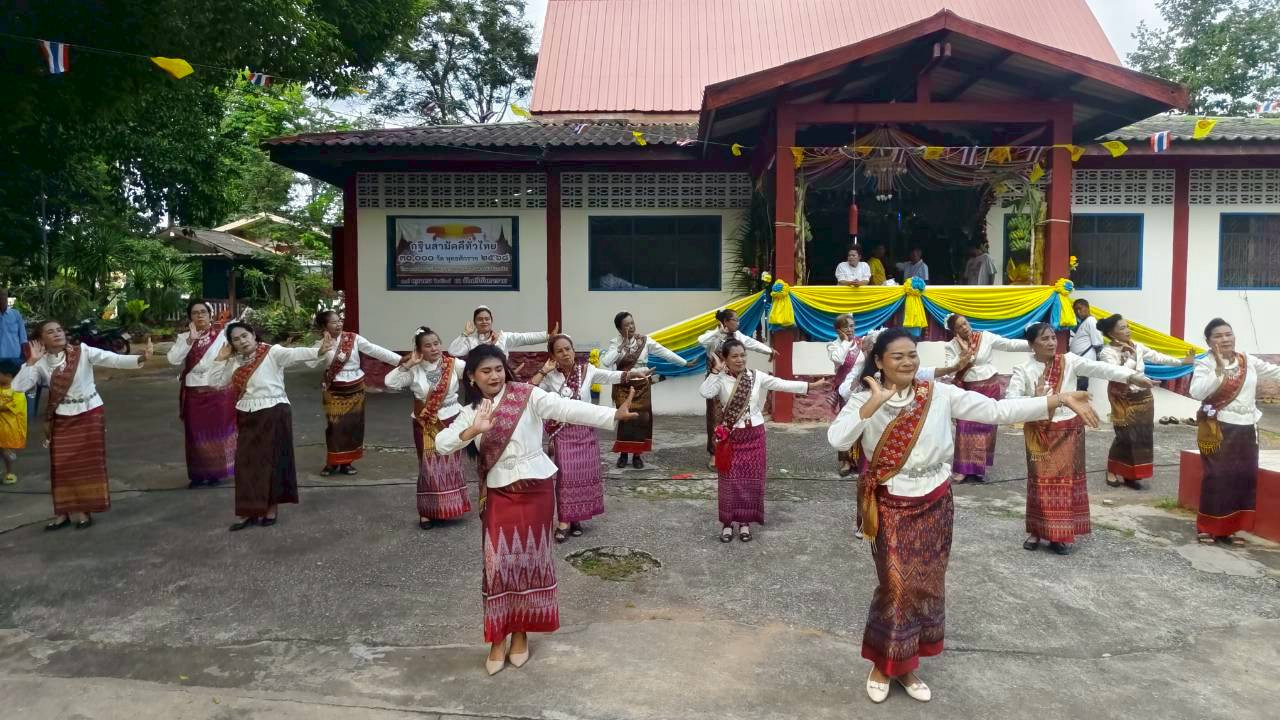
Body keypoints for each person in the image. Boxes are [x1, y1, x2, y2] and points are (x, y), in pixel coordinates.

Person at [828, 328, 1097, 704]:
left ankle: (907, 667)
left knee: (927, 585)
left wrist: (1054, 400)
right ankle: (881, 664)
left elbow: (996, 411)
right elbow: (838, 440)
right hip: (890, 503)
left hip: (937, 501)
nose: (907, 362)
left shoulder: (938, 394)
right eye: (897, 357)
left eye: (912, 355)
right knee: (896, 587)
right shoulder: (863, 398)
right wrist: (872, 406)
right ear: (879, 362)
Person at [434, 344, 638, 676]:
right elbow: (442, 443)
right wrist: (474, 430)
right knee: (498, 566)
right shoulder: (472, 411)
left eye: (498, 369)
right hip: (500, 494)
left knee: (529, 564)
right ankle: (496, 637)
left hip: (536, 491)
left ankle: (520, 633)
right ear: (472, 376)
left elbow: (566, 408)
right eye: (485, 371)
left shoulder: (526, 395)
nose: (494, 376)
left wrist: (612, 415)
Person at [1007, 322, 1153, 555]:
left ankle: (1059, 535)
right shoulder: (1022, 370)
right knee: (1039, 482)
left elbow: (1101, 369)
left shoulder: (1070, 361)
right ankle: (1036, 530)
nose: (1051, 342)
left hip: (1068, 430)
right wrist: (1033, 400)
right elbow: (1010, 401)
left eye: (1053, 338)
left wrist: (1132, 377)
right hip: (1039, 432)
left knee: (1064, 484)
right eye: (1044, 339)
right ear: (1032, 344)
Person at [13, 320, 152, 530]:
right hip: (62, 417)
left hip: (89, 413)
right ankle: (62, 513)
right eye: (50, 332)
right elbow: (18, 387)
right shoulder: (40, 363)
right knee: (61, 466)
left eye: (59, 329)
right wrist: (31, 361)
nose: (57, 334)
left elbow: (111, 359)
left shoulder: (82, 351)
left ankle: (84, 511)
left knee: (87, 466)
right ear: (41, 340)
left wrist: (140, 358)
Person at [208, 323, 332, 531]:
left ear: (253, 335)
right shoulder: (233, 362)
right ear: (232, 345)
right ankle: (248, 510)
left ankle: (270, 508)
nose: (242, 341)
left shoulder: (272, 352)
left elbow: (295, 354)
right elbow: (215, 383)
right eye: (236, 340)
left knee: (272, 461)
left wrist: (319, 350)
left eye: (245, 336)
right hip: (247, 414)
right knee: (246, 463)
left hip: (274, 411)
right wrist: (220, 358)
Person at [534, 334, 651, 542]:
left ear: (573, 349)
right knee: (566, 478)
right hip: (563, 432)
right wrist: (544, 371)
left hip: (586, 431)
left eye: (568, 349)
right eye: (559, 351)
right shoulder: (550, 377)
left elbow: (611, 377)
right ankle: (563, 520)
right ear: (552, 355)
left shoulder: (587, 370)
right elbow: (530, 393)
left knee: (583, 476)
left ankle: (576, 518)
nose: (565, 353)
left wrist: (636, 373)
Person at [701, 339, 816, 542]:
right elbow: (705, 392)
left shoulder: (755, 376)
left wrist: (808, 386)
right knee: (729, 482)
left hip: (754, 436)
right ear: (725, 359)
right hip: (732, 437)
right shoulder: (720, 380)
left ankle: (744, 523)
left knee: (750, 482)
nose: (740, 359)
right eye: (734, 356)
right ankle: (727, 524)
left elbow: (781, 384)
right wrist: (716, 372)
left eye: (743, 355)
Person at [1189, 318, 1280, 546]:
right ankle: (1208, 527)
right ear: (1209, 342)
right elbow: (1197, 392)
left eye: (1228, 334)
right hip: (1218, 426)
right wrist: (1219, 371)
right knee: (1217, 477)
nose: (1225, 339)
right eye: (1218, 336)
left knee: (1243, 477)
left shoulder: (1246, 360)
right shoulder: (1205, 364)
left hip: (1247, 427)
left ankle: (1230, 528)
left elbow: (1274, 372)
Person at [383, 326, 468, 529]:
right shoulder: (414, 369)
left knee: (451, 464)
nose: (434, 348)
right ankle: (427, 512)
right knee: (428, 467)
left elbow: (477, 371)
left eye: (436, 343)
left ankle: (450, 508)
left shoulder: (453, 365)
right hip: (425, 421)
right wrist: (408, 364)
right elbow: (390, 383)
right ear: (419, 350)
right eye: (428, 345)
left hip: (453, 419)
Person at [1097, 314, 1194, 490]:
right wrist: (1132, 359)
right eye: (1122, 328)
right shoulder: (1106, 352)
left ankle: (1130, 474)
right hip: (1123, 397)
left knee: (1142, 435)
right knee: (1124, 436)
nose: (1127, 331)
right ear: (1111, 333)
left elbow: (1158, 357)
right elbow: (1116, 374)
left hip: (1143, 396)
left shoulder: (1138, 346)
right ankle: (1112, 470)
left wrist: (1181, 362)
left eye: (1127, 327)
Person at [310, 310, 402, 476]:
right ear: (324, 326)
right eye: (333, 322)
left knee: (353, 426)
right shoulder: (320, 344)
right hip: (334, 389)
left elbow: (375, 350)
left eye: (339, 320)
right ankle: (332, 462)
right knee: (334, 426)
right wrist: (322, 349)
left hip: (355, 387)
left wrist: (400, 360)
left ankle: (347, 462)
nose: (338, 324)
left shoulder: (353, 338)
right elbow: (309, 363)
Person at [943, 314, 1031, 484]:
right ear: (954, 330)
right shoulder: (951, 346)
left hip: (990, 386)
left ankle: (979, 469)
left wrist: (1033, 344)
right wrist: (963, 353)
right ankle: (962, 469)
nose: (965, 328)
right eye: (960, 326)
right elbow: (950, 368)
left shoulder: (985, 337)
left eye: (965, 323)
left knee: (986, 428)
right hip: (968, 389)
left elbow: (1009, 344)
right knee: (965, 426)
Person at [601, 311, 687, 469]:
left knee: (642, 420)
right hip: (624, 386)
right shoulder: (615, 343)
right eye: (626, 325)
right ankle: (623, 454)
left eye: (632, 323)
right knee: (626, 419)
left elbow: (665, 352)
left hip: (642, 386)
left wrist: (684, 363)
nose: (631, 327)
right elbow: (607, 362)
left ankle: (637, 455)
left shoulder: (644, 341)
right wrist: (622, 346)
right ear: (619, 329)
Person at [167, 299, 236, 488]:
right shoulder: (184, 338)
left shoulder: (222, 335)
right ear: (190, 317)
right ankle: (198, 475)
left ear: (210, 314)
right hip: (194, 393)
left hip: (218, 393)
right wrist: (190, 339)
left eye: (203, 312)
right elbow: (173, 359)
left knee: (217, 434)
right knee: (196, 435)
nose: (200, 316)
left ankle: (216, 473)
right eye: (195, 313)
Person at [698, 308, 777, 466]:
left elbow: (752, 343)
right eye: (736, 320)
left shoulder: (738, 336)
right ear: (726, 322)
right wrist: (717, 332)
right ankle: (714, 453)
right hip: (717, 380)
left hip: (735, 380)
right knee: (715, 417)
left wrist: (769, 350)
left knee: (734, 416)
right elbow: (701, 341)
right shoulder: (713, 336)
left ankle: (732, 449)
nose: (738, 323)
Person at [448, 305, 555, 358]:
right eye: (480, 319)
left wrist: (548, 336)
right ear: (475, 323)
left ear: (491, 321)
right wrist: (465, 334)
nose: (484, 321)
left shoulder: (502, 337)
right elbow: (453, 352)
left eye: (487, 319)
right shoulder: (470, 341)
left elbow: (525, 338)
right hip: (477, 382)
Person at [829, 314, 861, 476]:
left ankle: (861, 460)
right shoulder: (833, 346)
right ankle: (846, 461)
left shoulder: (861, 343)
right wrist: (846, 342)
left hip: (862, 388)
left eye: (852, 326)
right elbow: (839, 360)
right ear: (838, 330)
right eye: (846, 326)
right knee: (846, 425)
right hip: (844, 390)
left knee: (863, 423)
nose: (850, 330)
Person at [0, 287, 34, 425]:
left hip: (15, 356)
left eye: (3, 296)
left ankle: (18, 414)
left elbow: (23, 336)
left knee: (18, 387)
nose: (2, 299)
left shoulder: (15, 314)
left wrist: (26, 355)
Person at [0, 359, 27, 485]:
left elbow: (8, 407)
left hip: (9, 430)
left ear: (8, 375)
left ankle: (9, 472)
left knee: (6, 453)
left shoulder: (17, 392)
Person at [1069, 299, 1104, 392]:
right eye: (1075, 310)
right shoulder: (1083, 323)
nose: (1078, 312)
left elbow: (1098, 344)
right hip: (1080, 361)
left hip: (1085, 361)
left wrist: (1099, 362)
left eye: (1080, 308)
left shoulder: (1091, 321)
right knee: (1078, 390)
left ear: (1087, 308)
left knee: (1081, 390)